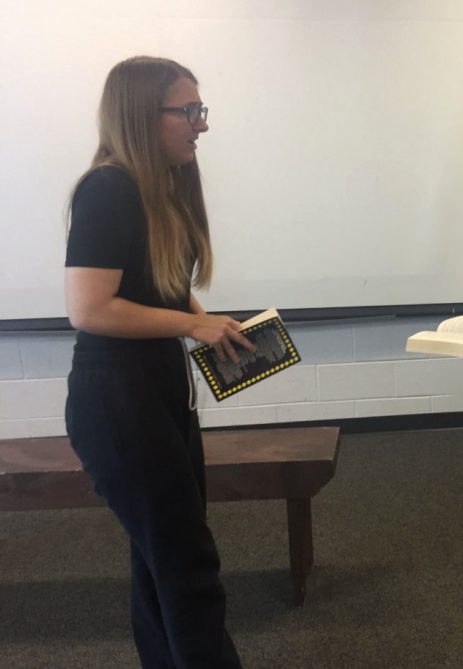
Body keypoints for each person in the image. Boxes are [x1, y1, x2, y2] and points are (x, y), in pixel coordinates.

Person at [64, 56, 252, 668]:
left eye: (201, 110)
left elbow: (157, 289)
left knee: (160, 560)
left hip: (152, 392)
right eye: (188, 111)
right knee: (186, 565)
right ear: (145, 115)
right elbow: (90, 309)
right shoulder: (109, 188)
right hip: (117, 400)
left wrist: (202, 323)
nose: (200, 125)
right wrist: (193, 325)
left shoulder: (154, 188)